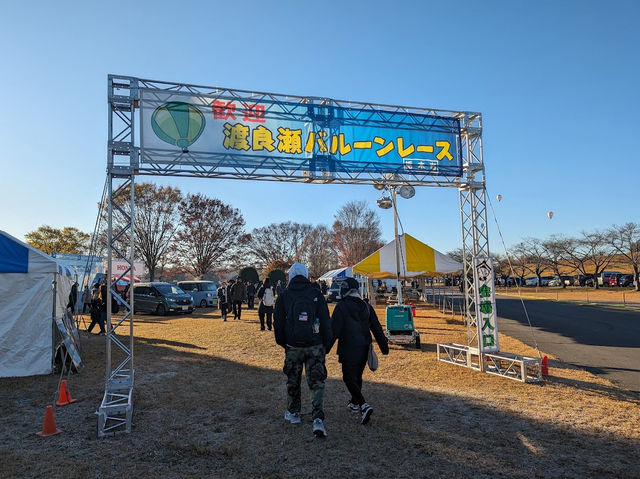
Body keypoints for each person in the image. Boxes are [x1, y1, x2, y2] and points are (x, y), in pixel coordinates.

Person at [273, 262, 332, 438]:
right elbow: (326, 321)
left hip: (293, 345)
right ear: (306, 275)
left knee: (293, 379)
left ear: (290, 276)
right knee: (317, 381)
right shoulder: (316, 293)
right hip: (315, 345)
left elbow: (278, 323)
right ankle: (317, 418)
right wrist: (325, 345)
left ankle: (293, 413)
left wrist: (284, 342)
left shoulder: (284, 295)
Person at [327, 277, 389, 425]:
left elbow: (333, 331)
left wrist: (324, 349)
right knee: (357, 376)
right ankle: (354, 404)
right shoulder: (366, 306)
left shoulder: (342, 307)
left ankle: (363, 405)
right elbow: (377, 327)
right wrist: (384, 347)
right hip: (364, 347)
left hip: (348, 347)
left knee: (348, 378)